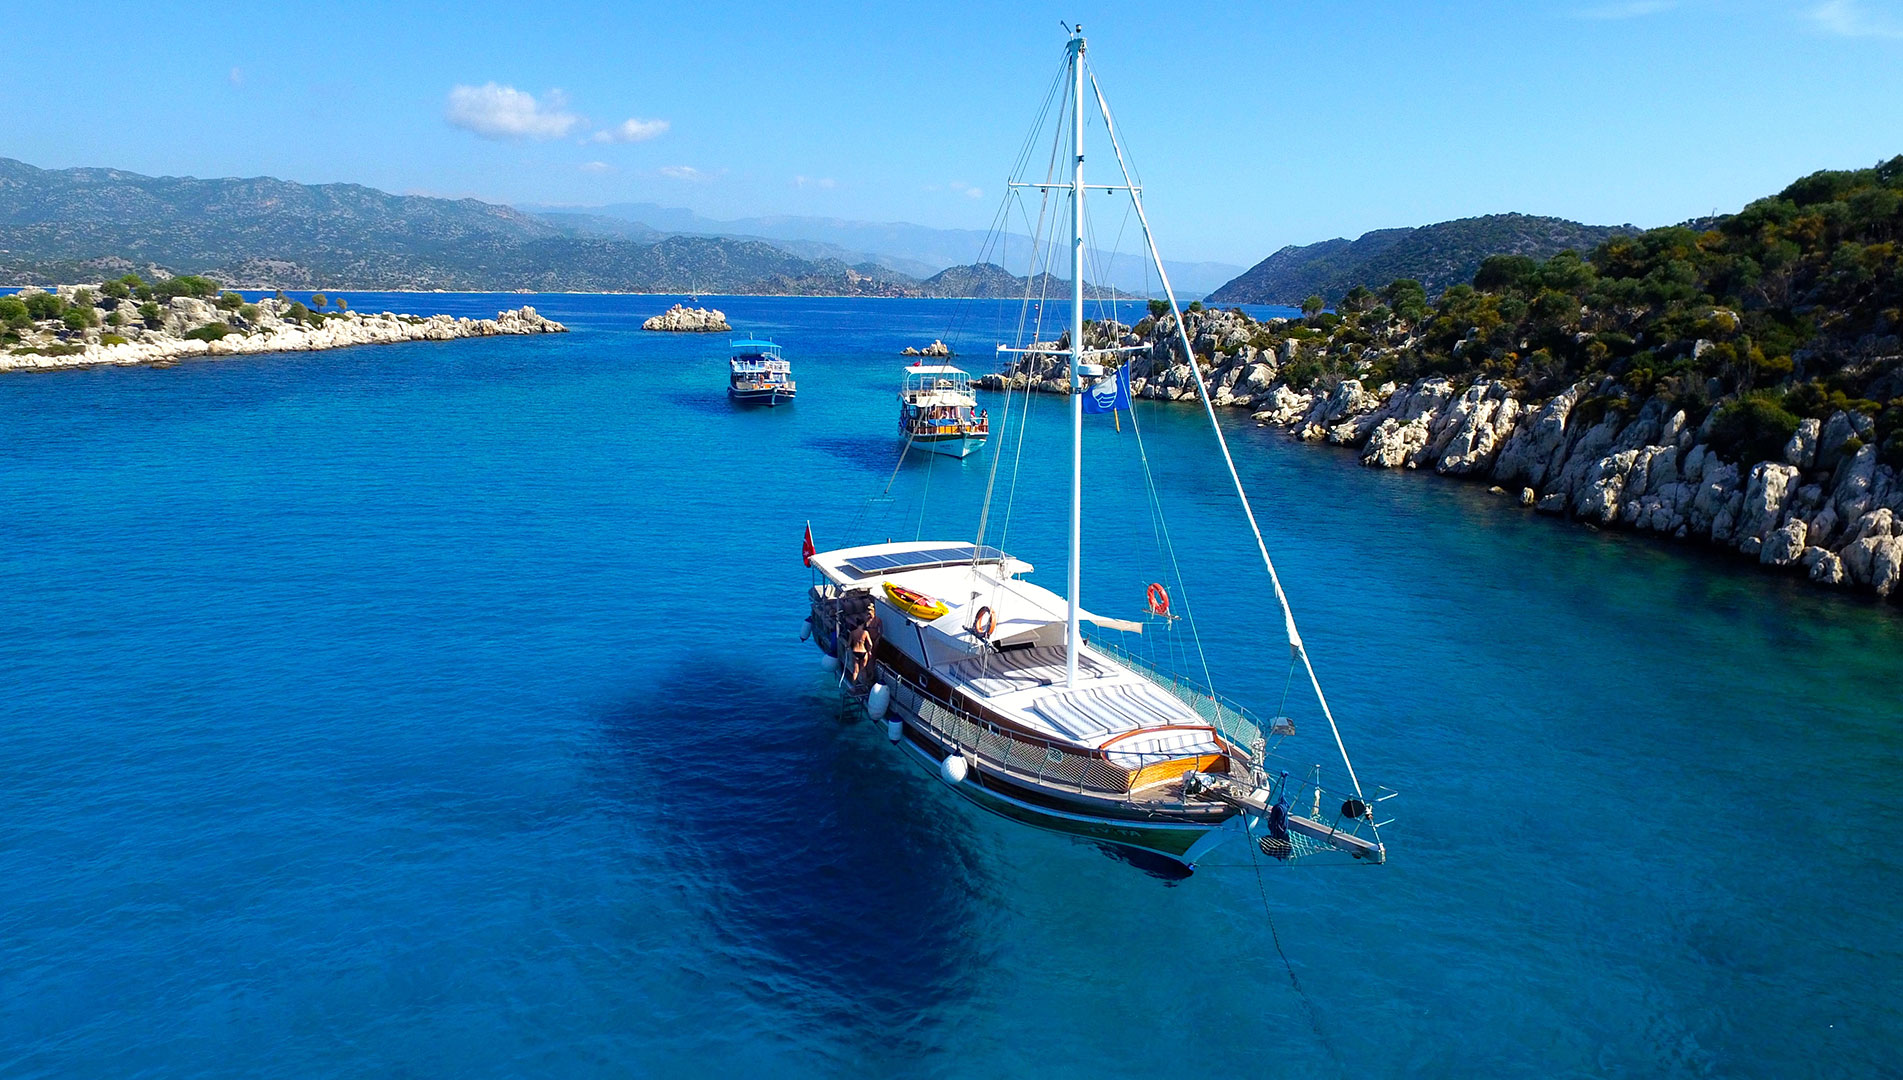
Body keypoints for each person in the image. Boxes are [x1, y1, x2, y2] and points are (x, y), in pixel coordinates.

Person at [848, 601, 882, 683]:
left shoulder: (853, 632)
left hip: (857, 650)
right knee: (863, 670)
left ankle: (854, 687)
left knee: (856, 671)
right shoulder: (865, 631)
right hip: (864, 649)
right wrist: (869, 651)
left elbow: (849, 644)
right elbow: (870, 643)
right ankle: (865, 685)